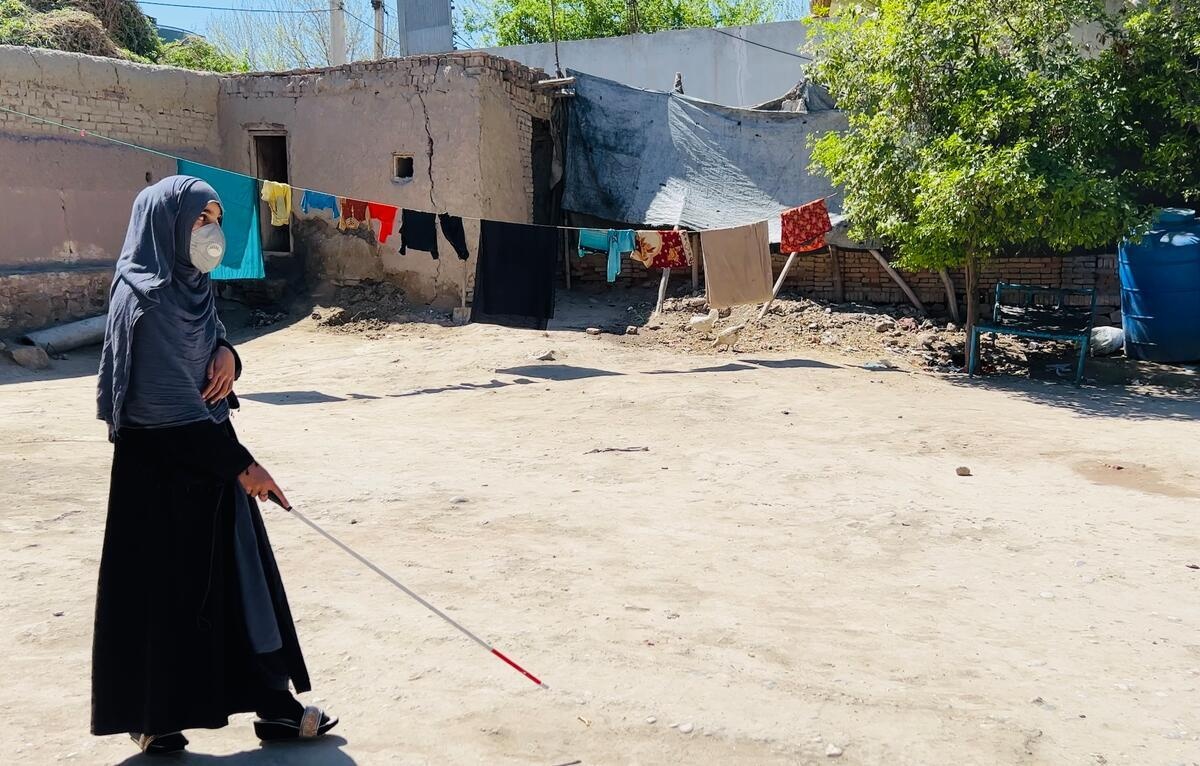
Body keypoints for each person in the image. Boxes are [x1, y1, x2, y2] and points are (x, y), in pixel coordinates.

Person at [92, 176, 337, 755]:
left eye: (215, 218)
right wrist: (244, 466)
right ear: (166, 226)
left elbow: (211, 343)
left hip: (210, 465)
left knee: (241, 589)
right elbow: (161, 411)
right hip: (161, 481)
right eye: (200, 220)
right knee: (166, 600)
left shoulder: (191, 286)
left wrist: (229, 353)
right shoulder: (143, 301)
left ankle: (274, 708)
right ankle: (154, 716)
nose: (213, 232)